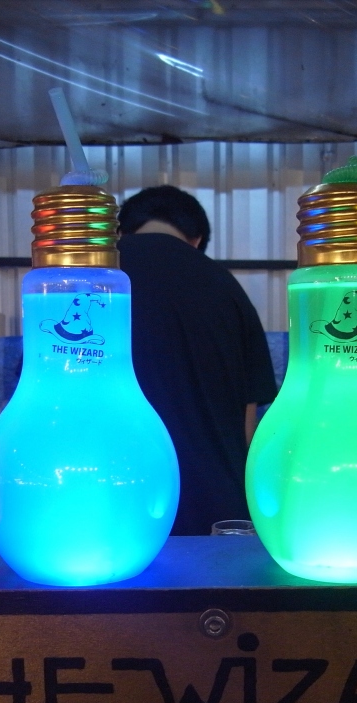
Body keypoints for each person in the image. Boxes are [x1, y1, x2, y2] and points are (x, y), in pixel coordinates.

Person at [118, 185, 278, 535]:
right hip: (216, 518)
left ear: (121, 232)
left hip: (107, 510)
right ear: (197, 239)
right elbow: (247, 428)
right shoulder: (228, 289)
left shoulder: (93, 280)